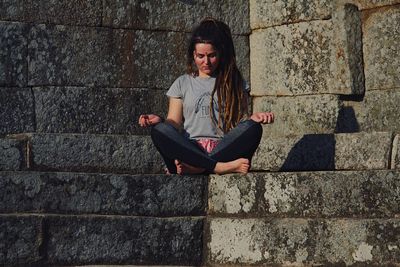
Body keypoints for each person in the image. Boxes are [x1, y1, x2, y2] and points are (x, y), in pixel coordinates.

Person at [139, 18, 274, 175]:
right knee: (159, 131)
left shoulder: (235, 81)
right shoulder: (182, 82)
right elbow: (174, 124)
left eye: (212, 55)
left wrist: (253, 118)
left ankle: (199, 167)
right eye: (200, 56)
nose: (206, 62)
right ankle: (216, 167)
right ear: (193, 55)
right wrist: (160, 121)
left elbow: (240, 125)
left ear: (220, 53)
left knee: (254, 128)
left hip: (224, 148)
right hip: (190, 149)